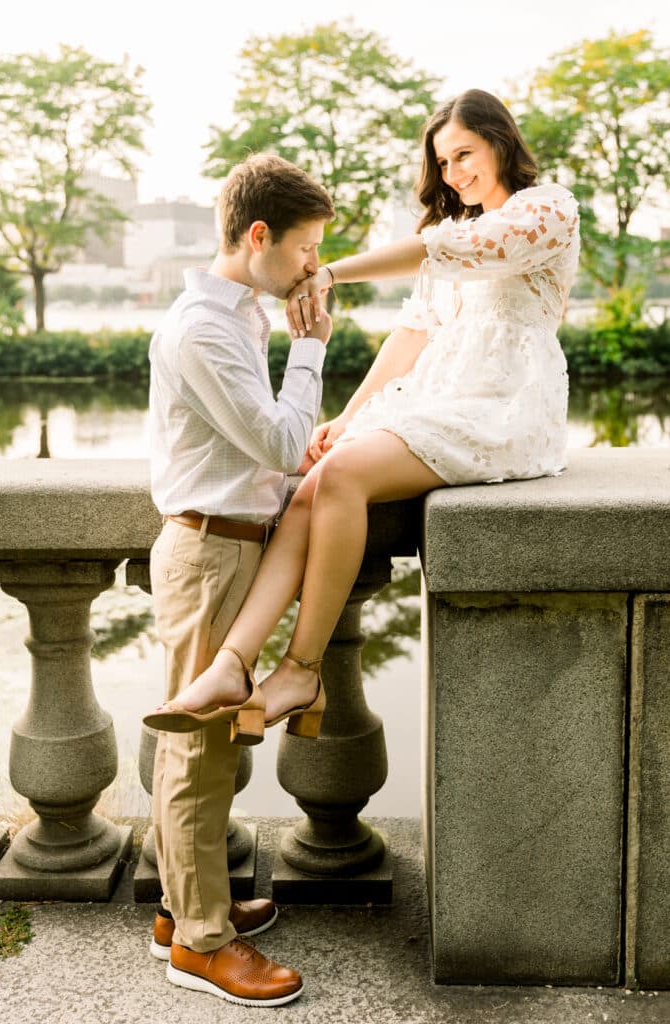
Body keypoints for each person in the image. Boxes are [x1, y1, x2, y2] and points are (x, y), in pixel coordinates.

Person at [147, 88, 580, 831]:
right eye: (443, 163)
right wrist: (347, 416)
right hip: (440, 394)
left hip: (506, 402)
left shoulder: (546, 209)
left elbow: (452, 251)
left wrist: (328, 272)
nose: (452, 175)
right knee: (317, 477)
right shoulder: (456, 221)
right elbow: (411, 334)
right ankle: (236, 663)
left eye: (464, 156)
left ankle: (302, 670)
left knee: (339, 477)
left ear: (500, 144)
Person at [142, 152, 335, 1008]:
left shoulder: (235, 315)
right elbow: (279, 443)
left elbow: (262, 453)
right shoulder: (205, 328)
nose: (311, 267)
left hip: (230, 543)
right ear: (257, 237)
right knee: (201, 756)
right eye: (303, 249)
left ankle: (182, 909)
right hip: (209, 553)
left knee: (203, 748)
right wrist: (312, 349)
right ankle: (202, 943)